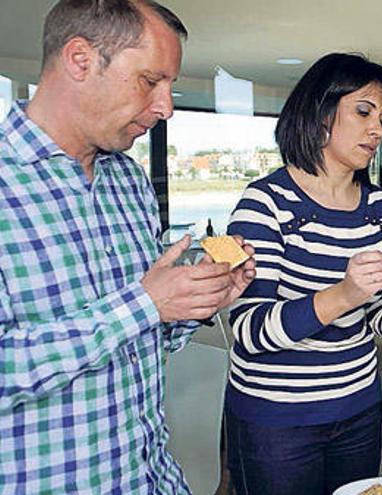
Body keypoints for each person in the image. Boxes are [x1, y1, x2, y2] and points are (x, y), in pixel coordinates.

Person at [0, 1, 257, 493]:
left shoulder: (129, 182)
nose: (166, 108)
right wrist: (143, 302)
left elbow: (140, 343)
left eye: (170, 87)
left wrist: (193, 301)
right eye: (150, 81)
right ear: (80, 60)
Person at [223, 53, 382, 495]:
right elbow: (248, 329)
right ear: (320, 113)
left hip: (358, 411)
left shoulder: (381, 208)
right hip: (277, 422)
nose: (377, 129)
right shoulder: (264, 203)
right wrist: (343, 294)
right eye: (363, 112)